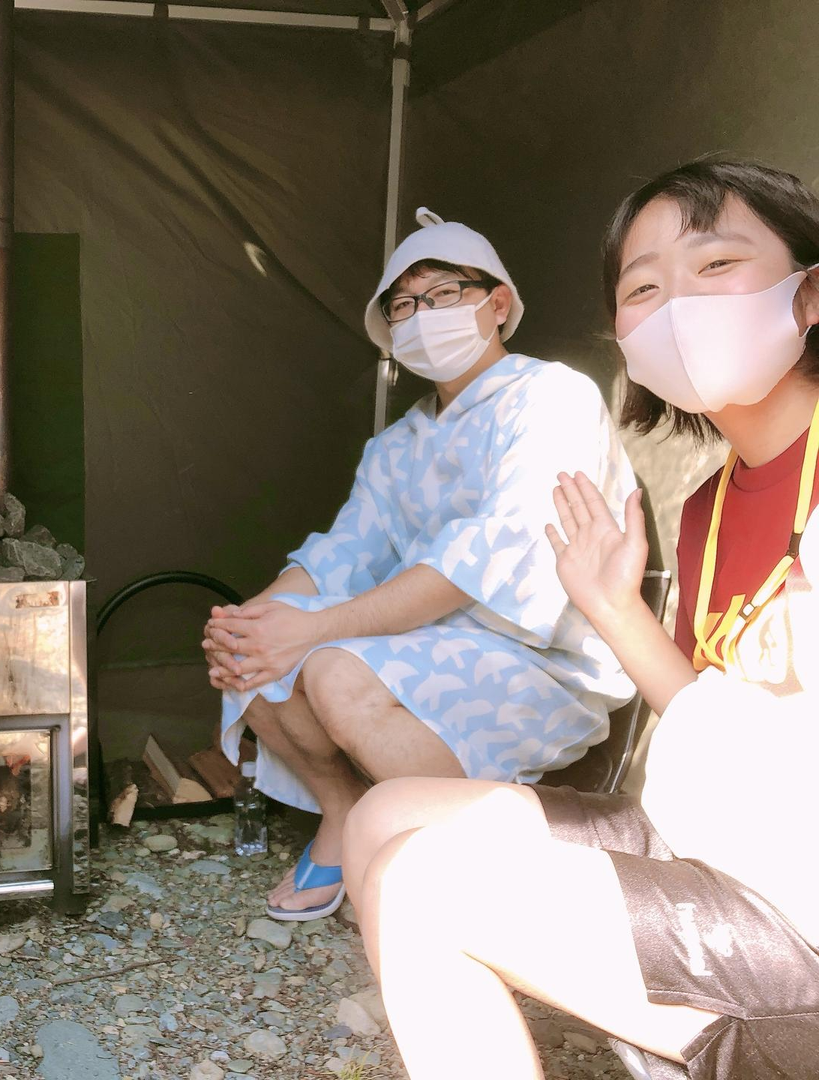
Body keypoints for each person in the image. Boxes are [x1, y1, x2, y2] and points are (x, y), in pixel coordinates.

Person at [343, 160, 819, 1080]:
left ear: (809, 295)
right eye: (643, 288)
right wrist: (610, 603)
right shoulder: (711, 502)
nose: (678, 306)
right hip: (723, 835)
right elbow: (708, 716)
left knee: (420, 883)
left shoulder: (544, 397)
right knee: (383, 817)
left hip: (797, 901)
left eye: (716, 265)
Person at [202, 209, 637, 922]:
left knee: (332, 670)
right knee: (254, 653)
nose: (421, 316)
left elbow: (480, 559)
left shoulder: (550, 397)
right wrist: (251, 622)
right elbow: (342, 553)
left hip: (540, 655)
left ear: (499, 304)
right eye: (403, 306)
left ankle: (470, 864)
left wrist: (308, 632)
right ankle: (345, 812)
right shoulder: (397, 444)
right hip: (426, 640)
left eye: (442, 294)